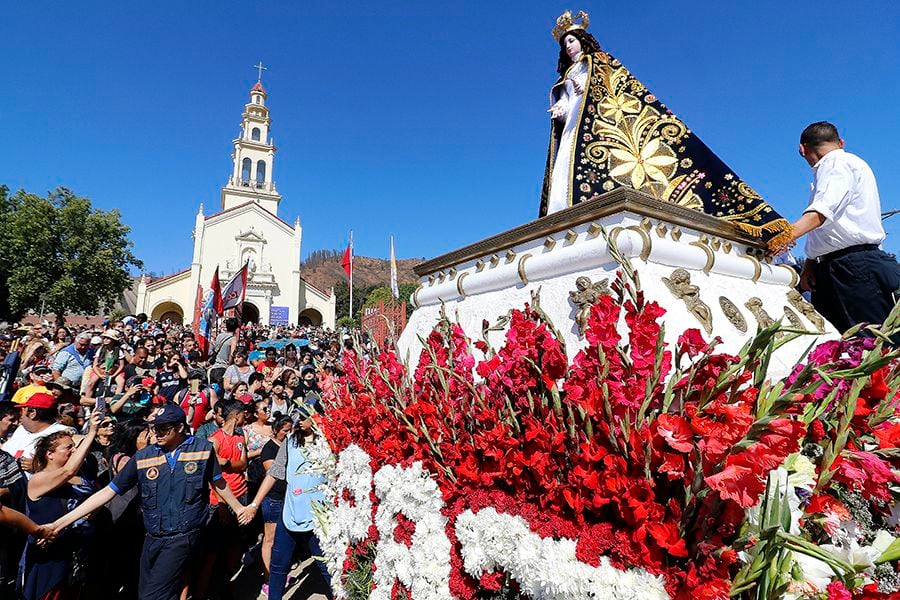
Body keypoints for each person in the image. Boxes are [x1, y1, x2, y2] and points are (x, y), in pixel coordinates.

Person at [537, 10, 791, 252]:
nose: (568, 46)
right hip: (575, 128)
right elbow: (567, 101)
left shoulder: (601, 61)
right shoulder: (565, 76)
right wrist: (561, 106)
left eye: (572, 40)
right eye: (564, 44)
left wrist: (589, 87)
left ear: (583, 40)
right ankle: (562, 217)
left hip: (600, 123)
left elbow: (615, 91)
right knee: (565, 170)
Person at [49, 404, 251, 600]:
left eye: (164, 428)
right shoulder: (144, 457)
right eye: (154, 428)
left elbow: (218, 482)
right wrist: (60, 523)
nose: (157, 434)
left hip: (183, 535)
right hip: (153, 536)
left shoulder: (203, 450)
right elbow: (107, 492)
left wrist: (238, 507)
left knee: (151, 595)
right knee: (152, 591)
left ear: (180, 427)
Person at [771, 121, 900, 334]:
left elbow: (822, 212)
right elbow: (829, 223)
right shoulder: (845, 163)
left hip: (852, 268)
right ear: (840, 142)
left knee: (870, 345)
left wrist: (783, 236)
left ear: (802, 149)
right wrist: (810, 263)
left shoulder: (834, 163)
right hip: (844, 265)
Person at [244, 417, 333, 600]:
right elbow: (274, 472)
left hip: (318, 516)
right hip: (290, 511)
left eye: (305, 416)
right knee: (278, 565)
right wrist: (254, 504)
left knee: (326, 565)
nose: (300, 421)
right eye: (298, 417)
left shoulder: (328, 440)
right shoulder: (290, 441)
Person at [20, 413, 101, 600]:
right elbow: (67, 471)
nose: (74, 450)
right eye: (68, 447)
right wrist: (92, 432)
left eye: (75, 446)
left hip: (78, 555)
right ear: (49, 454)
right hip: (50, 559)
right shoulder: (39, 479)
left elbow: (96, 500)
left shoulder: (81, 477)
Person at [256, 415, 292, 595]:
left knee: (279, 540)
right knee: (269, 540)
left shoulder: (289, 445)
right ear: (276, 430)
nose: (288, 433)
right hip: (273, 499)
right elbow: (274, 475)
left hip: (285, 499)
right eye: (285, 430)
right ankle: (268, 578)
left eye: (290, 430)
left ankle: (279, 575)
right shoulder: (269, 449)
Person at [2, 393, 71, 468]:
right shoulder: (22, 429)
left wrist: (41, 466)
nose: (21, 415)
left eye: (24, 409)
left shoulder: (63, 433)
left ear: (32, 413)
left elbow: (71, 469)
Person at [210, 318, 240, 388]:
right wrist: (229, 365)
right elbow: (232, 354)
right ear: (236, 328)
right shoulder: (233, 339)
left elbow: (214, 349)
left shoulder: (219, 336)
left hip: (214, 367)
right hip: (223, 368)